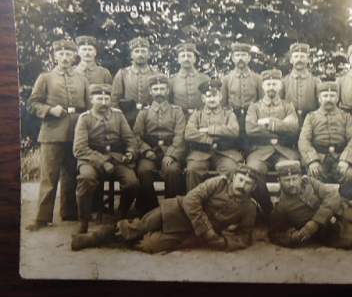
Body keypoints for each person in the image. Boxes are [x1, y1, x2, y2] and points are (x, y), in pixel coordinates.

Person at [71, 165, 259, 254]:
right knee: (140, 226)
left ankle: (117, 239)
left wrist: (223, 242)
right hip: (176, 210)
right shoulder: (218, 183)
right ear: (233, 178)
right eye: (241, 180)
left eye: (248, 184)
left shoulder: (249, 208)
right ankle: (96, 237)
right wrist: (207, 230)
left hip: (190, 233)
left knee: (149, 246)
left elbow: (245, 236)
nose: (242, 185)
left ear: (253, 188)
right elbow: (191, 200)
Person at [26, 39, 90, 231]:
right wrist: (49, 110)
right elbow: (32, 104)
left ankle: (68, 212)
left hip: (76, 132)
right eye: (61, 54)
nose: (65, 57)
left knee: (71, 174)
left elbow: (88, 107)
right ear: (55, 56)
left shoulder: (82, 79)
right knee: (49, 176)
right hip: (52, 132)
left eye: (69, 54)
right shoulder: (45, 77)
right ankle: (42, 218)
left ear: (74, 56)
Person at [73, 84, 139, 233]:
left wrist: (130, 153)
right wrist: (103, 162)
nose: (103, 102)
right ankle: (83, 222)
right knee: (86, 178)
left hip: (116, 158)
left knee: (132, 183)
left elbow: (130, 139)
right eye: (99, 98)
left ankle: (121, 216)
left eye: (106, 98)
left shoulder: (118, 115)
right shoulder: (84, 118)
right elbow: (79, 148)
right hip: (90, 159)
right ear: (91, 99)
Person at [246, 69, 300, 215]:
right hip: (260, 150)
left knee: (289, 169)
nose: (271, 87)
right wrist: (282, 125)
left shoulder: (288, 106)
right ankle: (268, 210)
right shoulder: (255, 106)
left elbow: (294, 128)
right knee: (253, 170)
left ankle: (288, 210)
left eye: (274, 84)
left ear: (280, 86)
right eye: (268, 84)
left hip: (284, 150)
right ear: (263, 86)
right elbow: (250, 129)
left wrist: (268, 122)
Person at [134, 74, 186, 213]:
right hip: (150, 151)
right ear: (151, 92)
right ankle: (150, 210)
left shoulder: (177, 111)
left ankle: (171, 210)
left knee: (172, 170)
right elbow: (136, 136)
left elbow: (180, 135)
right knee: (144, 170)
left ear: (168, 91)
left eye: (162, 89)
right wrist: (146, 151)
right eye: (155, 89)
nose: (159, 92)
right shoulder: (143, 113)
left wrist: (171, 155)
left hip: (170, 150)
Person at [298, 81, 352, 200]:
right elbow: (304, 140)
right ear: (319, 98)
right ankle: (318, 210)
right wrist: (312, 161)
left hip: (340, 157)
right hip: (319, 157)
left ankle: (343, 205)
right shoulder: (311, 117)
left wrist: (346, 160)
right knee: (312, 177)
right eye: (325, 96)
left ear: (337, 98)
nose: (329, 99)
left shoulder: (345, 116)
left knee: (350, 176)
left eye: (332, 96)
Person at [185, 79, 243, 191]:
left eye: (214, 95)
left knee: (231, 169)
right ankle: (193, 202)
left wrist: (209, 129)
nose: (212, 99)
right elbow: (189, 133)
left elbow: (234, 130)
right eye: (208, 96)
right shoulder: (197, 114)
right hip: (201, 153)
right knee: (192, 169)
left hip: (225, 153)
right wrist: (210, 139)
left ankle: (228, 203)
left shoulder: (228, 114)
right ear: (203, 99)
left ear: (220, 97)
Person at [221, 42, 263, 150]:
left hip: (252, 117)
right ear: (232, 58)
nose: (240, 58)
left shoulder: (257, 78)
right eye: (237, 55)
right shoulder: (226, 79)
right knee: (233, 146)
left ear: (249, 58)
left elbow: (261, 102)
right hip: (233, 117)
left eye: (243, 55)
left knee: (250, 147)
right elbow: (223, 103)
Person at [111, 36, 158, 126]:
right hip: (127, 118)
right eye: (137, 51)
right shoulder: (122, 74)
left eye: (143, 51)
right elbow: (114, 100)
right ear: (131, 55)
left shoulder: (156, 74)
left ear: (149, 54)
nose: (140, 54)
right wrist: (120, 119)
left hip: (150, 118)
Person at [281, 42, 321, 125]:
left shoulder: (316, 81)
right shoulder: (284, 81)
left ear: (308, 60)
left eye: (302, 57)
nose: (299, 60)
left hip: (311, 121)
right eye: (296, 57)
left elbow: (321, 105)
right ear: (291, 60)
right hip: (289, 122)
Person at [168, 42, 209, 117]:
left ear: (194, 59)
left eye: (189, 56)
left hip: (201, 117)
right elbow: (169, 103)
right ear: (178, 60)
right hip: (179, 118)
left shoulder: (204, 78)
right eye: (183, 56)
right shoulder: (172, 81)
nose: (186, 59)